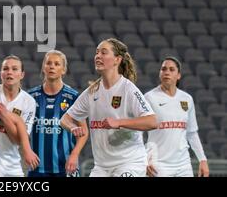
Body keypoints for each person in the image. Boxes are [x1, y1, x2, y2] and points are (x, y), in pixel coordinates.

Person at [60, 38, 158, 177]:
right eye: (97, 52)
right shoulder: (92, 92)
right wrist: (73, 127)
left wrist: (118, 122)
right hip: (101, 167)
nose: (98, 56)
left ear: (117, 60)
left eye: (104, 52)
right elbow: (65, 119)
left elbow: (152, 121)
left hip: (130, 163)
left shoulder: (128, 89)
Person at [145, 57, 209, 177]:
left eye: (171, 69)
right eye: (163, 69)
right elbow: (137, 132)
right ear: (160, 73)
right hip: (159, 164)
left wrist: (202, 159)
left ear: (178, 75)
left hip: (183, 164)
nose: (167, 72)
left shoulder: (187, 99)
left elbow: (192, 133)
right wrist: (144, 159)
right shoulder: (149, 98)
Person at [28, 50, 88, 177]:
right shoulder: (31, 97)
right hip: (37, 168)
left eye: (57, 64)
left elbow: (83, 132)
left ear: (63, 70)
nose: (52, 66)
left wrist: (74, 155)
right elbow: (22, 128)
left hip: (66, 166)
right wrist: (27, 150)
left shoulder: (73, 97)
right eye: (48, 63)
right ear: (43, 67)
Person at [0, 55, 39, 177]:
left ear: (22, 74)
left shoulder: (29, 102)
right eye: (5, 68)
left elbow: (18, 140)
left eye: (14, 69)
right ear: (1, 73)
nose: (9, 72)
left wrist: (4, 116)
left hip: (13, 162)